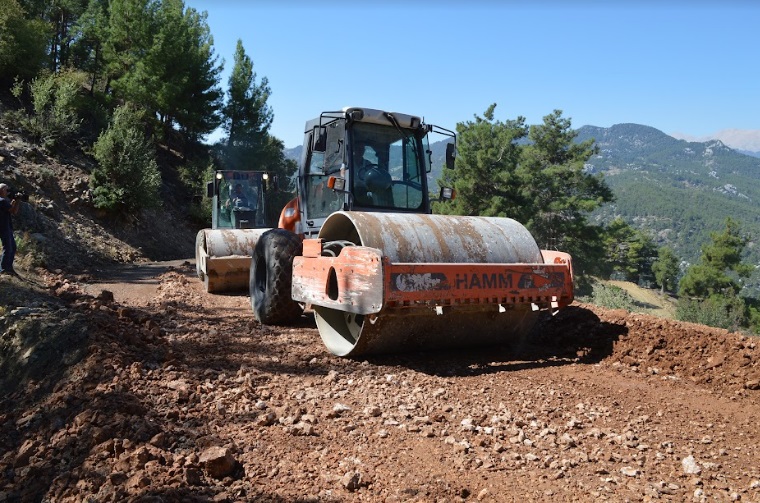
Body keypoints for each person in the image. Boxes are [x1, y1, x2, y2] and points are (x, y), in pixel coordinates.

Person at [0, 183, 20, 275]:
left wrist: (13, 200)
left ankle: (8, 267)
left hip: (5, 226)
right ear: (2, 190)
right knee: (8, 247)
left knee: (12, 247)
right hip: (4, 227)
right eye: (6, 190)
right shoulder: (2, 201)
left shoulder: (3, 201)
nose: (8, 192)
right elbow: (13, 211)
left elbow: (10, 209)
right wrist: (17, 201)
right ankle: (4, 268)